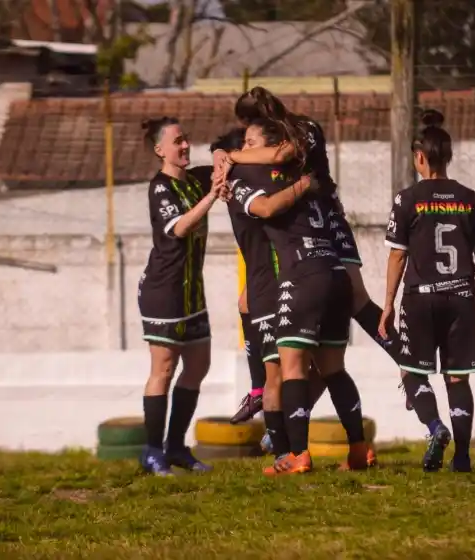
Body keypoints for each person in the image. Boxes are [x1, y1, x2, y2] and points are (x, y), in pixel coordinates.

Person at [219, 87, 414, 414]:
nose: (245, 140)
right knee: (268, 311)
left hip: (327, 219)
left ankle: (407, 364)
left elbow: (279, 155)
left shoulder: (303, 130)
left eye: (248, 133)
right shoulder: (274, 143)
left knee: (356, 298)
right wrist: (222, 156)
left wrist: (232, 157)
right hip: (300, 228)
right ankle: (277, 410)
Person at [229, 119, 375, 475]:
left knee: (291, 367)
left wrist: (226, 158)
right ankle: (359, 449)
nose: (250, 151)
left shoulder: (266, 180)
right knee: (333, 368)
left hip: (301, 275)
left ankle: (298, 455)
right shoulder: (324, 186)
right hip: (335, 273)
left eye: (253, 144)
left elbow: (265, 209)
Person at [379, 109, 475, 473]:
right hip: (463, 296)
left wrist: (387, 304)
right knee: (457, 377)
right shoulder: (470, 198)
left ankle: (434, 428)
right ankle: (462, 457)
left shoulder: (406, 200)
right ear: (448, 157)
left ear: (419, 158)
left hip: (421, 298)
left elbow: (398, 256)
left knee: (411, 371)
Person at [138, 116, 226, 476]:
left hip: (192, 293)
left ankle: (176, 447)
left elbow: (225, 162)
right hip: (164, 292)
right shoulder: (160, 188)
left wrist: (223, 156)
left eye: (186, 139)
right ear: (160, 150)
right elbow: (179, 227)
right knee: (164, 368)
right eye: (177, 141)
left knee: (199, 364)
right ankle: (152, 450)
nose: (185, 145)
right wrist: (212, 197)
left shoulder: (195, 179)